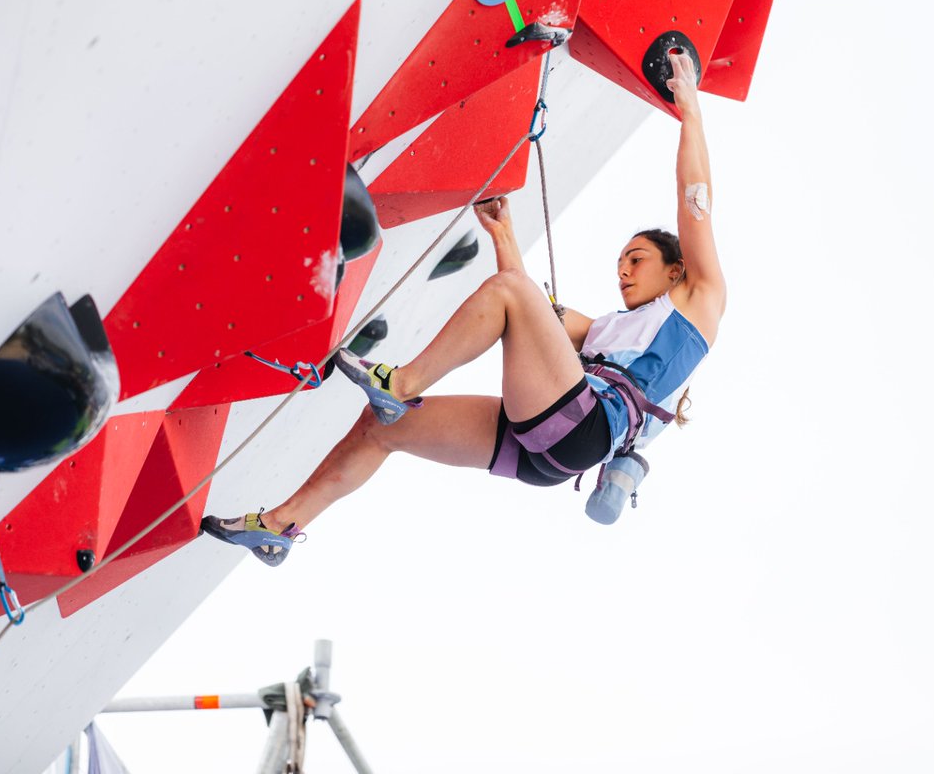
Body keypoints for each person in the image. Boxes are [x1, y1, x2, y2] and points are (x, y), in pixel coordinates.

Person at [202, 52, 726, 565]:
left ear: (676, 270)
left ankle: (401, 384)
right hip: (549, 453)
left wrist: (690, 109)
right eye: (620, 261)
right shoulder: (609, 330)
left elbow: (693, 201)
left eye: (636, 259)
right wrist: (503, 232)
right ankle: (281, 528)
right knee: (381, 428)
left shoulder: (700, 303)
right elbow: (535, 313)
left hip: (581, 430)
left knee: (498, 304)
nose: (622, 271)